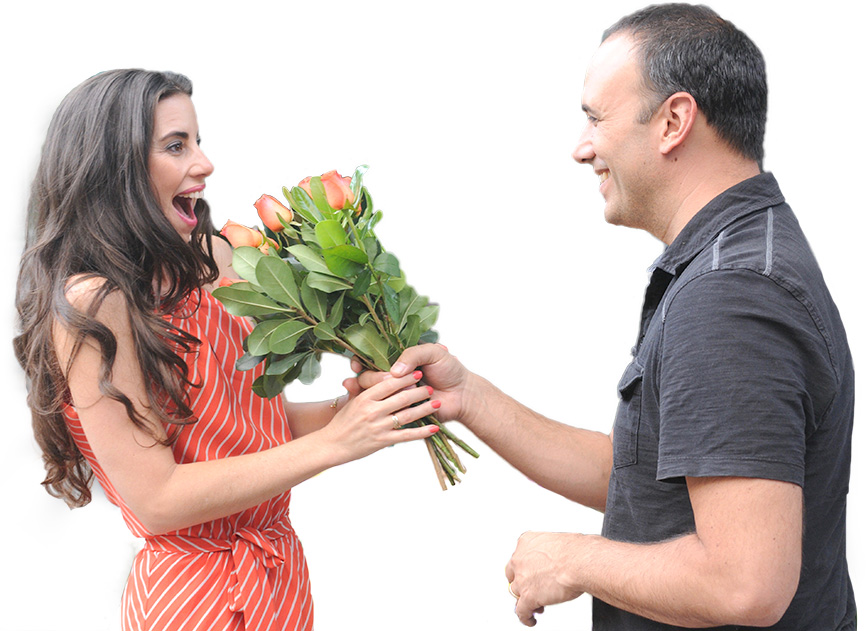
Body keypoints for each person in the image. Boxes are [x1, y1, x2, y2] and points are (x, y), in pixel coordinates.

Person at [358, 4, 856, 629]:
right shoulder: (738, 255)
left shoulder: (729, 297)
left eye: (596, 117)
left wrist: (574, 560)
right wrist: (468, 398)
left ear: (674, 121)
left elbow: (745, 584)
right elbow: (649, 486)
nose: (581, 147)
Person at [13, 68, 441, 631]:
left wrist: (366, 412)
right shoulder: (95, 303)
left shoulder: (217, 261)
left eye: (197, 140)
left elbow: (249, 425)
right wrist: (340, 440)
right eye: (175, 146)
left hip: (279, 578)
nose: (204, 164)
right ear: (115, 170)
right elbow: (157, 497)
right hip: (191, 600)